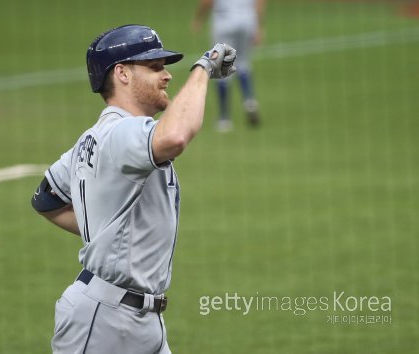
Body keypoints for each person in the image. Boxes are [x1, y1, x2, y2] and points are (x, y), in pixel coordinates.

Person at [31, 24, 236, 353]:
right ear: (122, 74)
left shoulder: (94, 137)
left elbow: (46, 200)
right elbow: (175, 136)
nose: (166, 75)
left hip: (138, 319)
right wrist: (203, 68)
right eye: (155, 67)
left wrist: (105, 232)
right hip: (105, 323)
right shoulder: (121, 134)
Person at [192, 0, 266, 130]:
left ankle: (224, 119)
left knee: (221, 66)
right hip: (247, 20)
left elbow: (207, 2)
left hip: (224, 20)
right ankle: (249, 100)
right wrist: (258, 26)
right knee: (243, 62)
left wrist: (199, 19)